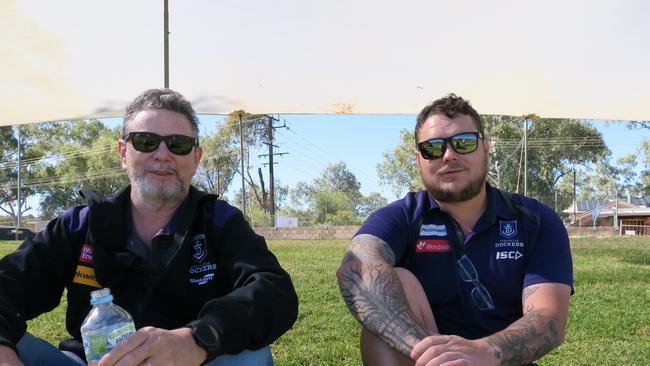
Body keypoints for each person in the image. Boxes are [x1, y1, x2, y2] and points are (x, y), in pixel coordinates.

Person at [0, 89, 298, 366]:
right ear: (123, 153)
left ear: (196, 158)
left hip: (193, 361)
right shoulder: (80, 224)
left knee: (252, 356)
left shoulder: (220, 222)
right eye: (146, 141)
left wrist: (198, 339)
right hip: (91, 361)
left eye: (178, 144)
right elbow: (8, 282)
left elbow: (274, 291)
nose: (162, 154)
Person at [337, 94, 573, 366]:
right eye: (432, 148)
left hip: (500, 361)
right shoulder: (403, 216)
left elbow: (549, 319)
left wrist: (482, 353)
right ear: (418, 159)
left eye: (464, 143)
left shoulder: (536, 220)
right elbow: (356, 267)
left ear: (485, 147)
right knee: (393, 283)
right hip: (424, 359)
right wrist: (437, 356)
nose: (449, 156)